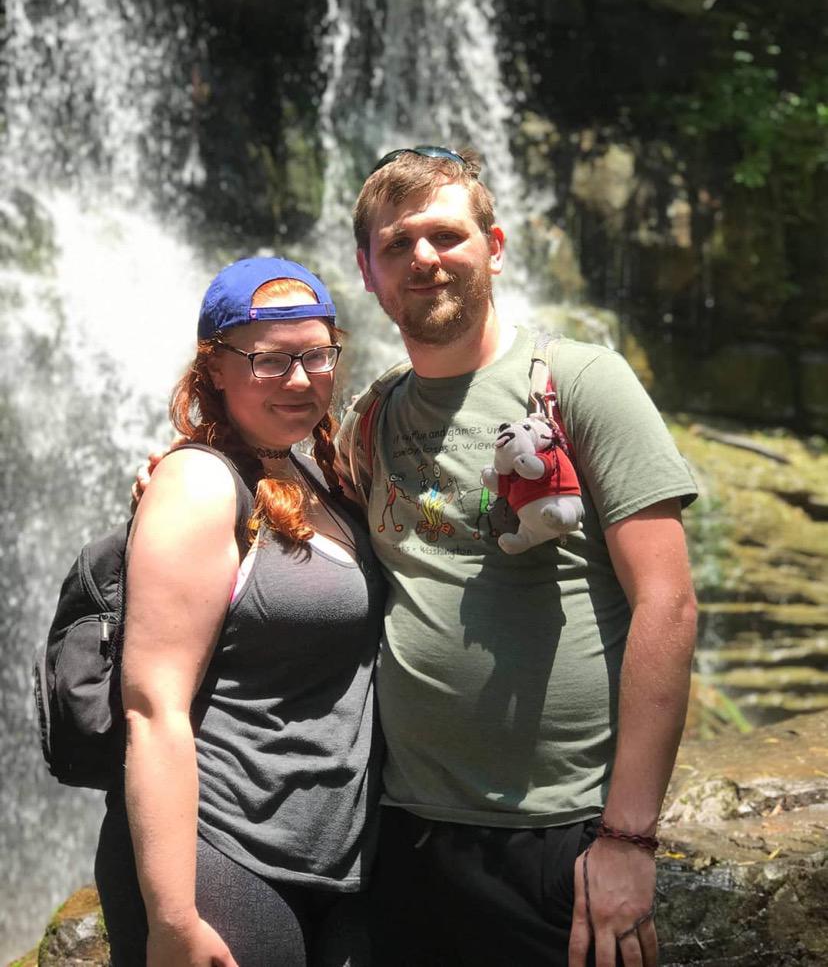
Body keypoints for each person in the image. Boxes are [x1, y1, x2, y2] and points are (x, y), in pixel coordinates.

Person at [333, 145, 699, 967]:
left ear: (493, 247)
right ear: (368, 272)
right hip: (408, 836)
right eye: (396, 244)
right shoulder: (370, 417)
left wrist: (628, 836)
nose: (423, 258)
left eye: (445, 236)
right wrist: (182, 466)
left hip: (558, 841)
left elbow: (669, 604)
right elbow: (276, 490)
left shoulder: (581, 382)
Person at [97, 257, 385, 967]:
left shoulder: (321, 471)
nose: (299, 377)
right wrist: (173, 916)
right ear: (214, 369)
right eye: (268, 359)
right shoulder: (199, 482)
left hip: (339, 862)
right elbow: (151, 706)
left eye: (316, 354)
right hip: (226, 856)